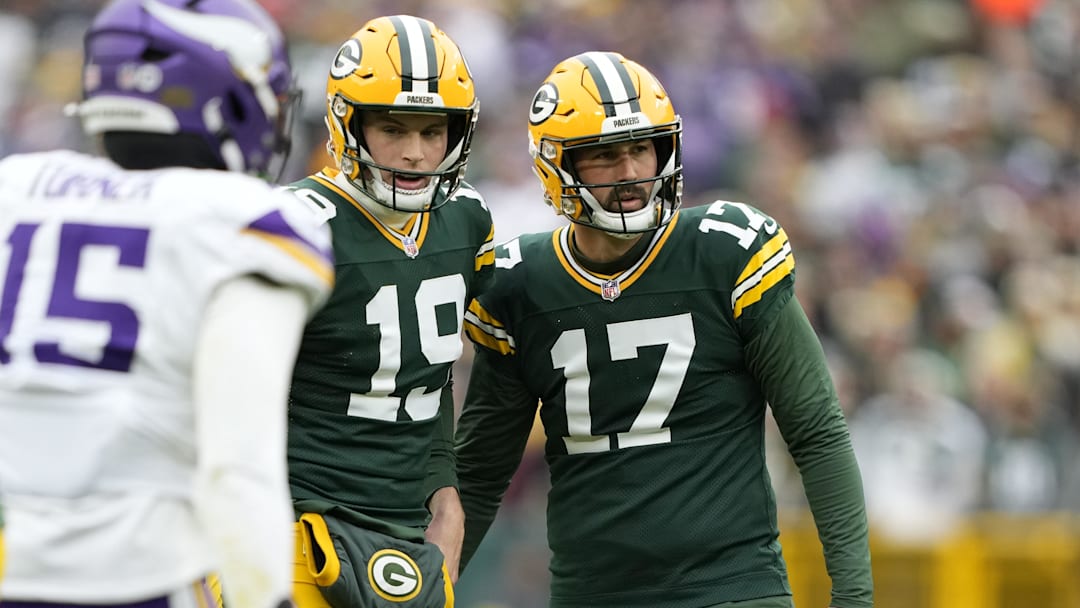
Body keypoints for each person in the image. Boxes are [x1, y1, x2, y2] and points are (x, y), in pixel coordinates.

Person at [456, 51, 874, 608]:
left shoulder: (723, 253)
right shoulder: (521, 285)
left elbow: (817, 432)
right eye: (604, 155)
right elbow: (482, 475)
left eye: (640, 148)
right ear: (556, 166)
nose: (631, 174)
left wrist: (854, 596)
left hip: (731, 592)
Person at [0, 1, 333, 607]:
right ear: (230, 97)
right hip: (131, 580)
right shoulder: (243, 223)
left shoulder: (16, 188)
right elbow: (238, 465)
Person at [281, 15, 493, 608]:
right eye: (393, 128)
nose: (416, 153)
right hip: (294, 524)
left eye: (433, 131)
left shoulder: (467, 221)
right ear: (347, 124)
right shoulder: (295, 227)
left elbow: (431, 374)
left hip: (405, 536)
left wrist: (443, 490)